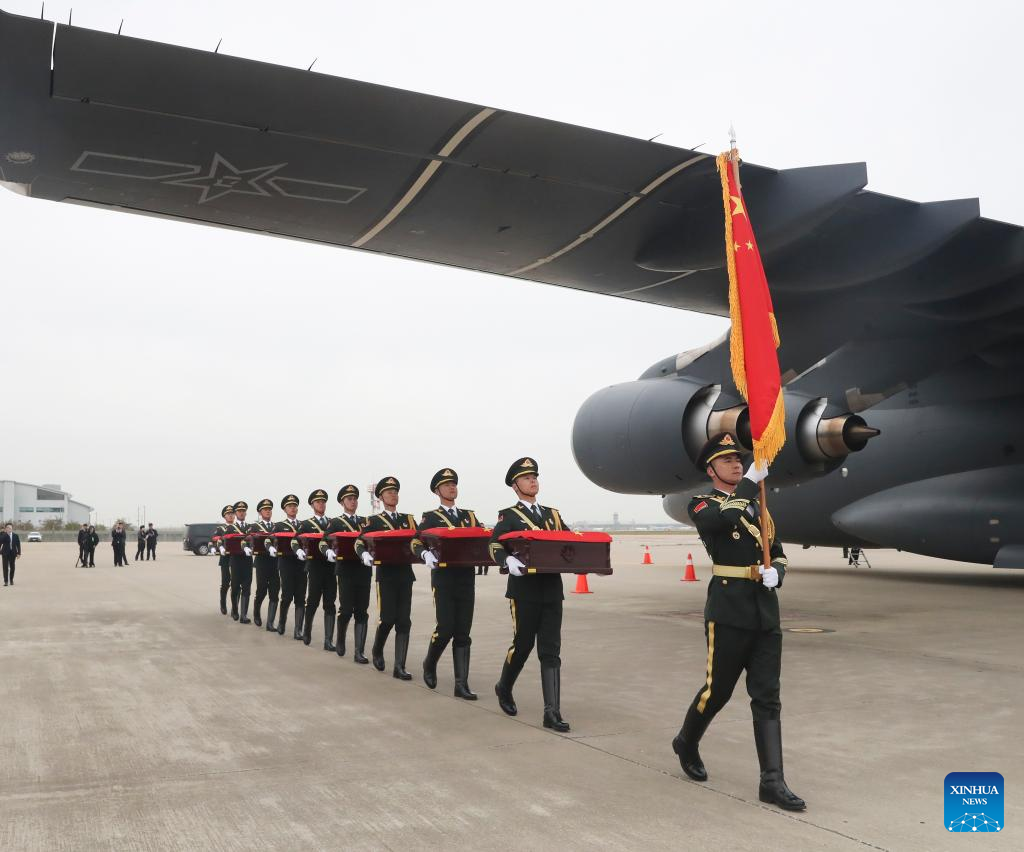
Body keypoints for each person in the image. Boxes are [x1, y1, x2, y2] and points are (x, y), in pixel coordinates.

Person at [670, 433, 804, 811]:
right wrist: (749, 482)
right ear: (711, 469)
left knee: (767, 696)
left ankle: (772, 781)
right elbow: (724, 518)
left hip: (765, 611)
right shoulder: (701, 505)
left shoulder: (758, 506)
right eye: (727, 460)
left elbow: (777, 551)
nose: (736, 464)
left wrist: (777, 572)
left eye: (738, 460)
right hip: (728, 612)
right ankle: (686, 741)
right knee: (718, 692)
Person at [488, 457, 571, 732]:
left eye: (534, 477)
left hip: (552, 589)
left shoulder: (553, 515)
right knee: (523, 645)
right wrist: (506, 560)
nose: (532, 481)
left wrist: (587, 559)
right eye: (526, 478)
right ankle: (504, 686)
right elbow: (494, 545)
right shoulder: (508, 516)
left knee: (551, 650)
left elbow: (570, 542)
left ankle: (552, 712)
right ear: (515, 486)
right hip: (524, 591)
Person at [411, 468, 481, 699]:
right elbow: (415, 542)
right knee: (445, 629)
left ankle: (461, 684)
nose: (452, 487)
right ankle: (429, 663)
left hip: (466, 577)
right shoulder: (430, 517)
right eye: (447, 485)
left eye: (454, 484)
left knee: (463, 632)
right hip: (443, 578)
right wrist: (424, 554)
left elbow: (482, 537)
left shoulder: (469, 517)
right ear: (437, 491)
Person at [354, 477, 418, 680]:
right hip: (386, 575)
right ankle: (377, 649)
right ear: (380, 497)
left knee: (404, 621)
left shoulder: (408, 520)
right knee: (388, 618)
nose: (393, 495)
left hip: (405, 574)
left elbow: (419, 540)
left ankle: (400, 666)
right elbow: (359, 542)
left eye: (395, 492)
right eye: (389, 492)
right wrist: (364, 554)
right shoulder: (373, 522)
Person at [325, 484, 369, 663]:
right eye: (349, 499)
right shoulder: (335, 522)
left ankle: (359, 651)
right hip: (345, 570)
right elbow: (324, 541)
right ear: (342, 502)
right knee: (346, 609)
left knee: (362, 611)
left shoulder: (366, 522)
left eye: (355, 499)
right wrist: (328, 551)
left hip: (363, 569)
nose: (353, 501)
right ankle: (341, 639)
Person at [296, 489, 336, 650]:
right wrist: (298, 551)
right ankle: (307, 630)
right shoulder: (306, 524)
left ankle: (328, 640)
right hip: (315, 567)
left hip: (331, 567)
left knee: (330, 603)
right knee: (312, 601)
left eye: (323, 502)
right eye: (318, 502)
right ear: (312, 505)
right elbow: (295, 540)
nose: (321, 504)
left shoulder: (332, 522)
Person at [271, 494, 305, 639]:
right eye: (290, 506)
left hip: (301, 564)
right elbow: (270, 539)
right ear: (285, 509)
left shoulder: (303, 525)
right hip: (286, 564)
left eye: (295, 506)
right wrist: (271, 547)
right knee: (286, 596)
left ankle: (298, 630)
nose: (293, 508)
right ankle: (281, 622)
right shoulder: (279, 525)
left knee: (300, 597)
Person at [246, 498, 279, 631]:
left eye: (269, 509)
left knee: (275, 592)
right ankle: (256, 613)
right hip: (261, 561)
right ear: (260, 512)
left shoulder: (276, 526)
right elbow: (247, 539)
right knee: (261, 590)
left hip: (275, 562)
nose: (268, 511)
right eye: (265, 510)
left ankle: (270, 623)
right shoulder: (254, 527)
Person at [228, 501, 253, 623]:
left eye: (243, 511)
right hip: (235, 560)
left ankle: (243, 615)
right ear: (235, 513)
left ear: (246, 513)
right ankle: (234, 609)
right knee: (235, 587)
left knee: (247, 587)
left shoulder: (251, 527)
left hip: (247, 560)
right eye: (239, 511)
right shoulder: (230, 528)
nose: (241, 513)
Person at [214, 505, 235, 615]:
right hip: (225, 559)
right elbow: (214, 539)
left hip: (236, 558)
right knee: (226, 583)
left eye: (232, 514)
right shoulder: (220, 529)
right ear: (224, 516)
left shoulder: (238, 527)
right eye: (228, 514)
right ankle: (223, 604)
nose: (230, 516)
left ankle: (234, 608)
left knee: (236, 584)